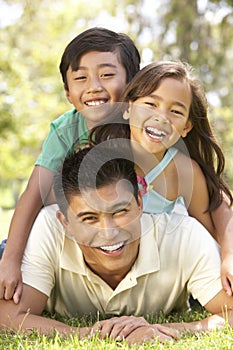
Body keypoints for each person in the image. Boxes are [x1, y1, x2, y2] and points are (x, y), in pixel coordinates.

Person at [0, 143, 233, 345]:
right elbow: (8, 317)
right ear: (66, 222)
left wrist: (165, 330)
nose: (109, 232)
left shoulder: (185, 235)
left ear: (140, 203)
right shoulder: (48, 229)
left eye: (121, 211)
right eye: (89, 218)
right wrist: (91, 334)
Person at [0, 27, 140, 303]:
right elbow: (34, 194)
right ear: (67, 92)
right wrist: (11, 259)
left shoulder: (145, 125)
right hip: (66, 238)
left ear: (132, 82)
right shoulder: (66, 129)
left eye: (107, 75)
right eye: (80, 78)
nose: (93, 87)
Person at [90, 60, 233, 295]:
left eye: (175, 111)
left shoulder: (182, 171)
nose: (161, 117)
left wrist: (228, 256)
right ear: (127, 108)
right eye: (150, 104)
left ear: (186, 127)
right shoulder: (101, 160)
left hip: (156, 284)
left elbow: (209, 232)